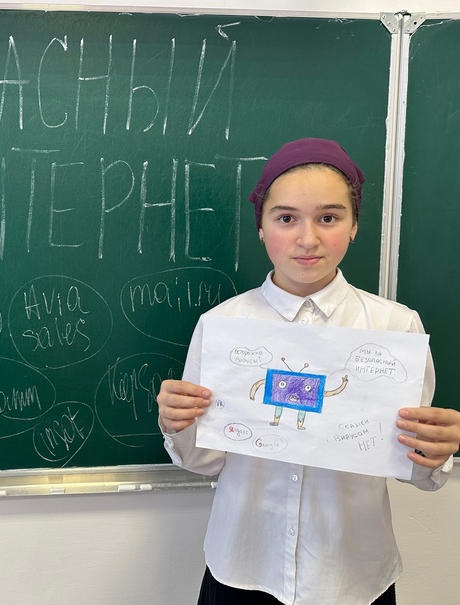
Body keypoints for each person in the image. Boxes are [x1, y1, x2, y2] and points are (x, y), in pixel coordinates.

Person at [156, 138, 460, 605]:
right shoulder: (223, 326)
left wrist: (433, 452)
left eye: (329, 218)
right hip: (243, 564)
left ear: (354, 225)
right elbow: (205, 460)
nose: (308, 238)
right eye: (286, 218)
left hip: (352, 576)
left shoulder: (395, 328)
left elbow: (412, 467)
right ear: (261, 227)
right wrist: (177, 425)